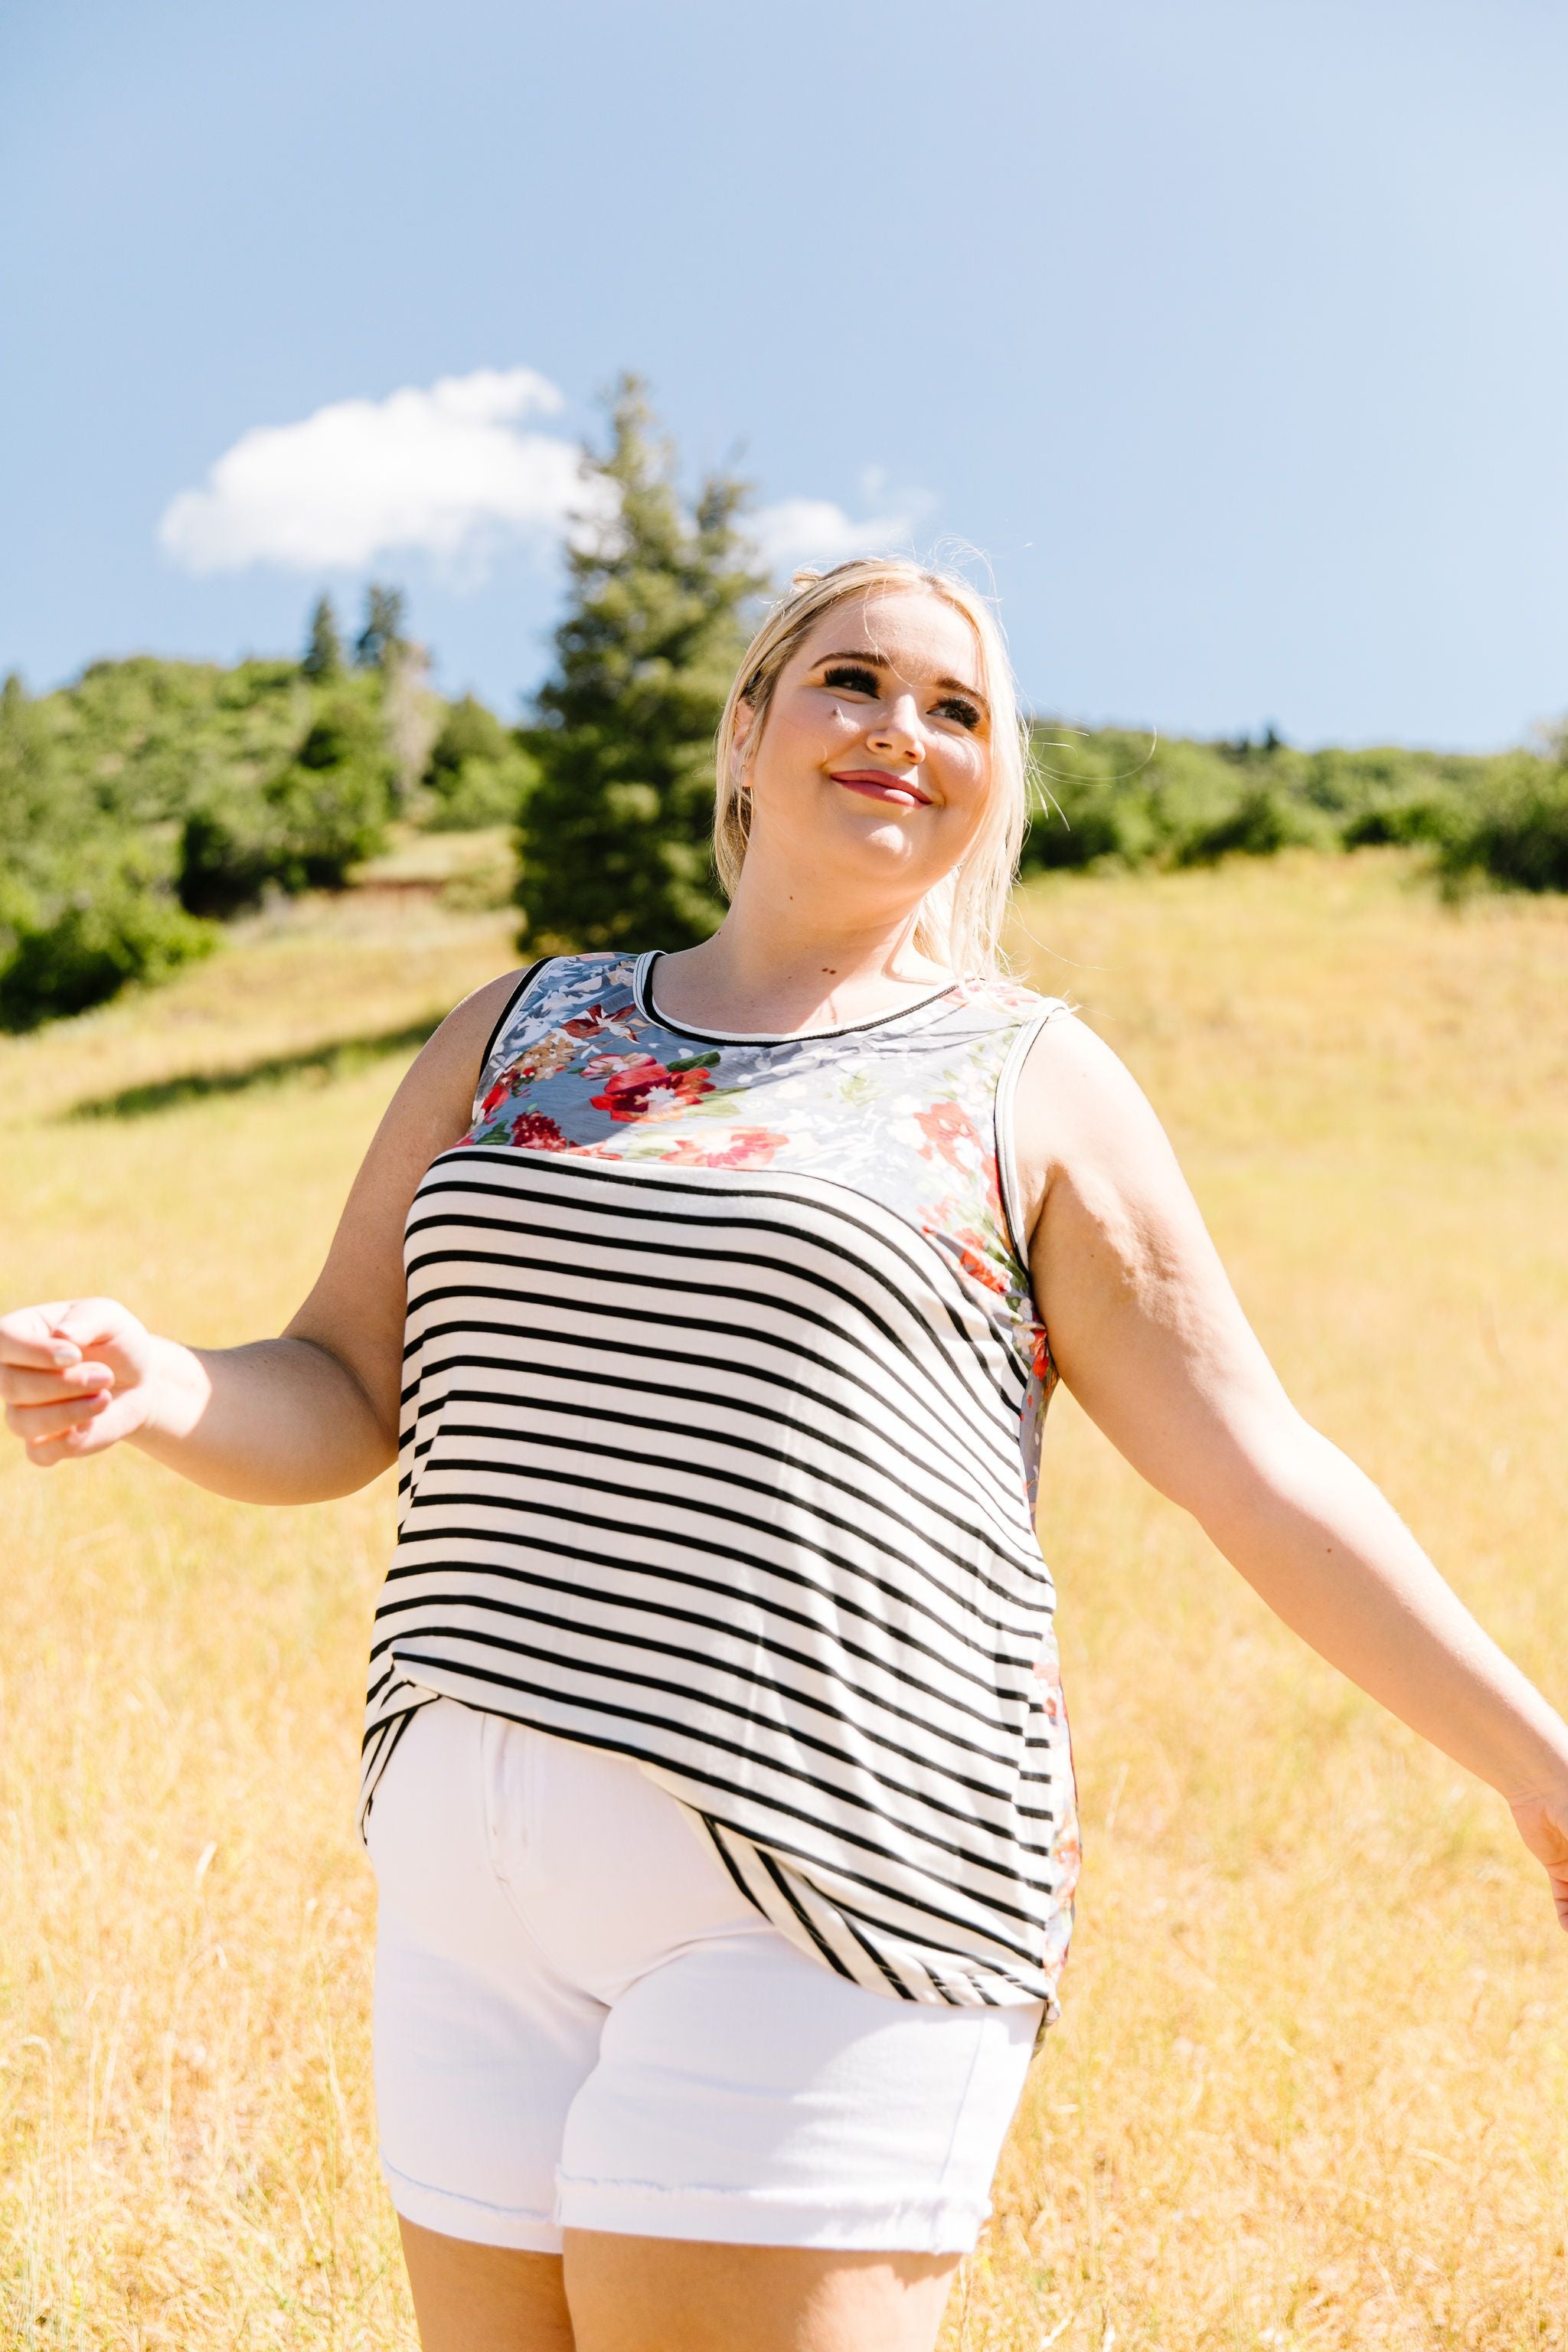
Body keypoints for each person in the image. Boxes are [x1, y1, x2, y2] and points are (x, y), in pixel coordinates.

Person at [4, 556, 1566, 2352]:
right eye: (852, 680)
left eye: (958, 708)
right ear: (747, 729)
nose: (903, 728)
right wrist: (165, 1386)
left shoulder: (1025, 1076)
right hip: (468, 1892)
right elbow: (345, 1384)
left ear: (993, 782)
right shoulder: (519, 1031)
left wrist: (1540, 1764)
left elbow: (1252, 1465)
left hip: (834, 1875)